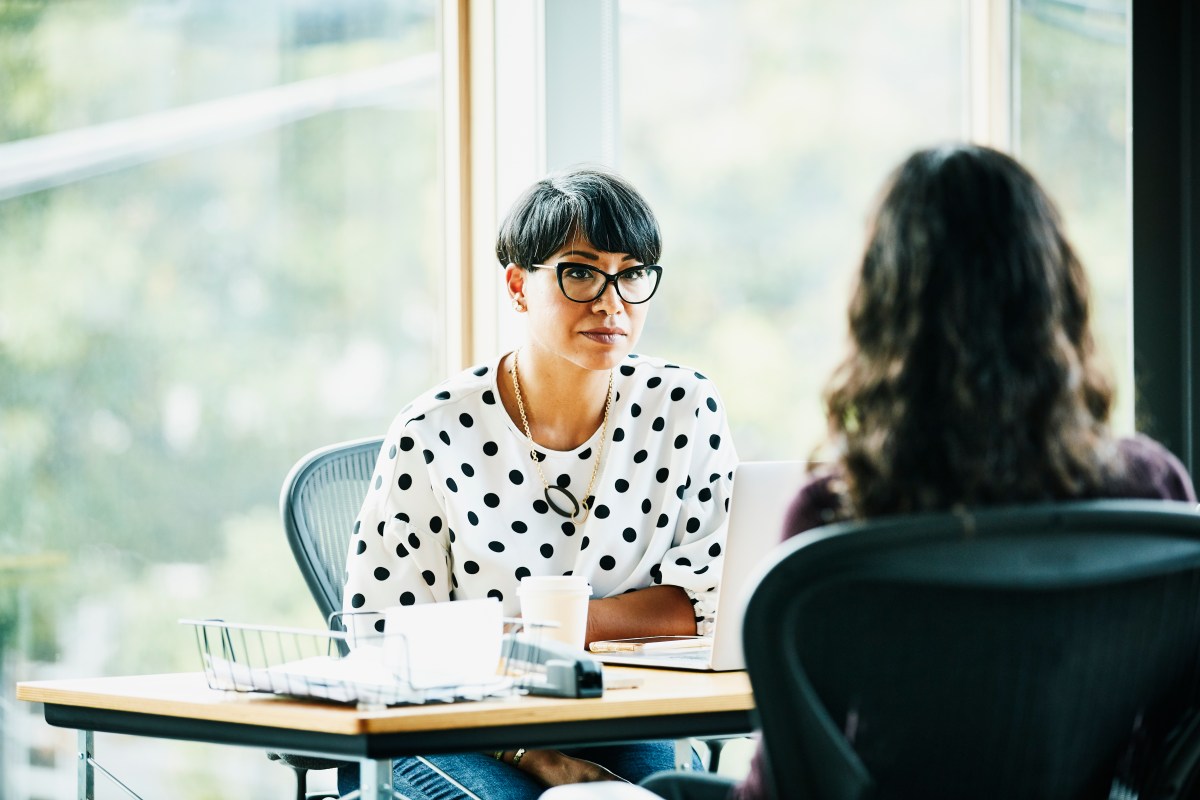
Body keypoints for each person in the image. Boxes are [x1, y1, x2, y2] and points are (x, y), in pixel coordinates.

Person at [638, 143, 1197, 800]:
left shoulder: (841, 512)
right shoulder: (1150, 490)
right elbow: (1174, 738)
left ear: (878, 308)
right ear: (1058, 292)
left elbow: (788, 785)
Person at [339, 166, 739, 799]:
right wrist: (532, 752)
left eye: (632, 273)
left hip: (616, 712)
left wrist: (563, 629)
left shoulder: (682, 408)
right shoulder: (435, 430)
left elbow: (712, 602)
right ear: (519, 286)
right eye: (580, 271)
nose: (611, 301)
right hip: (451, 725)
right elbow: (383, 639)